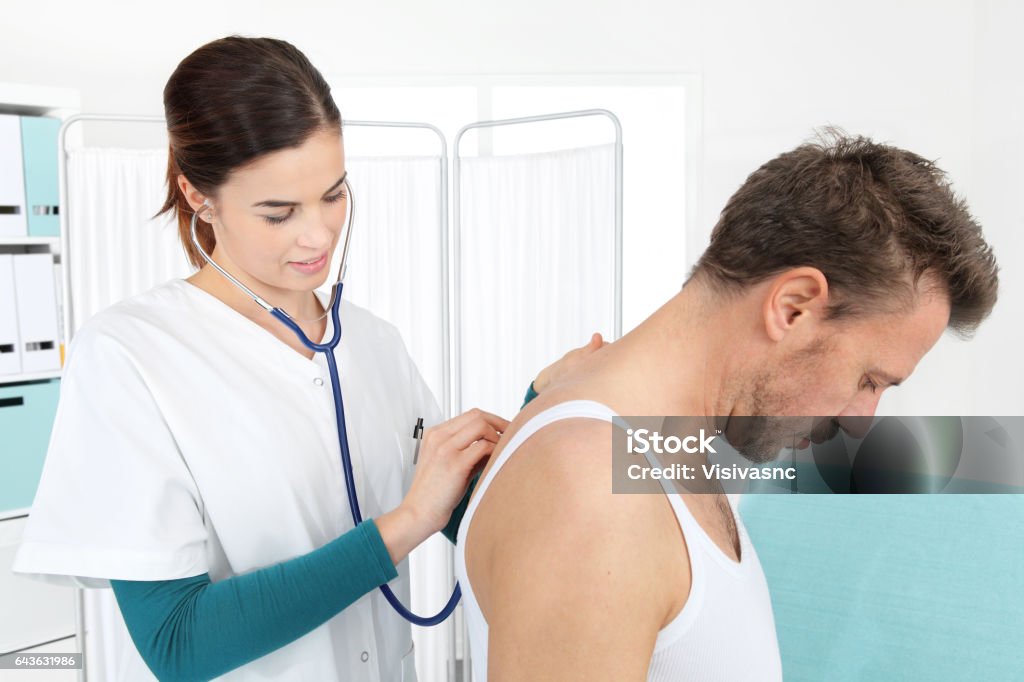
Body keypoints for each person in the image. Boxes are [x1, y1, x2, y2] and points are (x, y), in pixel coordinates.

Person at [11, 36, 596, 682]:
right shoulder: (130, 356)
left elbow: (464, 510)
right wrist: (401, 528)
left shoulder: (373, 343)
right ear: (197, 194)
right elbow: (178, 643)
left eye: (333, 193)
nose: (318, 234)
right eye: (279, 212)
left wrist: (540, 405)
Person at [454, 132, 999, 680]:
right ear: (793, 308)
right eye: (869, 378)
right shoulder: (593, 491)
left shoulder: (664, 445)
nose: (862, 419)